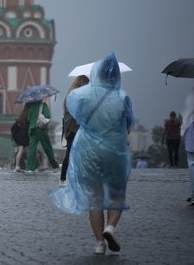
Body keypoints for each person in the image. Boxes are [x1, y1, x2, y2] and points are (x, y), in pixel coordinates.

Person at [50, 52, 135, 255]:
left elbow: (74, 111)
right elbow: (129, 123)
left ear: (95, 73)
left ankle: (99, 243)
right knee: (116, 194)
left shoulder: (80, 94)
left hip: (88, 149)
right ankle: (111, 227)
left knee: (94, 197)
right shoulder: (123, 96)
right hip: (114, 149)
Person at [59, 75, 90, 186]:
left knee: (73, 152)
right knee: (71, 152)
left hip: (70, 127)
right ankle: (63, 179)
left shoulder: (71, 94)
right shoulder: (76, 95)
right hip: (74, 127)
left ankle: (67, 178)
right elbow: (78, 112)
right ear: (82, 83)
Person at [24, 99, 59, 173]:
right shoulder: (43, 105)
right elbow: (47, 116)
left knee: (32, 148)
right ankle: (55, 165)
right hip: (41, 129)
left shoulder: (30, 106)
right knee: (47, 147)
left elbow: (28, 118)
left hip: (32, 129)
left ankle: (30, 168)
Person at [182, 88, 194, 205]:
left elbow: (187, 114)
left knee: (192, 163)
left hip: (192, 129)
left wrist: (183, 132)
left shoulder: (192, 95)